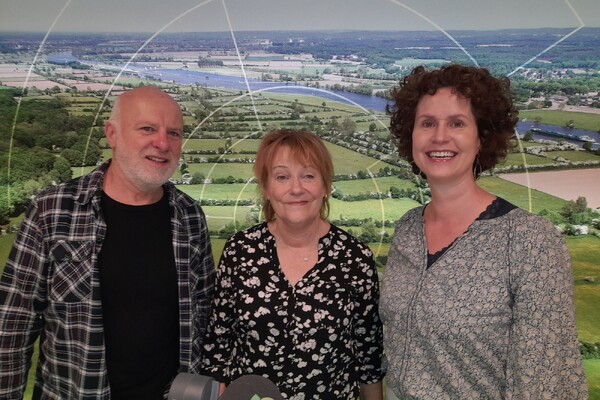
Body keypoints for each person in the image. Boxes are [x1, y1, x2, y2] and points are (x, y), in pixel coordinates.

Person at [381, 64, 588, 399]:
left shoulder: (530, 241)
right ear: (411, 135)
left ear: (482, 138)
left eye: (457, 123)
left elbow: (546, 380)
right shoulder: (407, 228)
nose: (439, 136)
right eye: (427, 123)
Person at [0, 86, 215, 399]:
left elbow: (207, 316)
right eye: (147, 129)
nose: (162, 143)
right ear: (112, 134)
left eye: (174, 133)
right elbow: (12, 327)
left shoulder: (190, 216)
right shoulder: (52, 210)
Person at [199, 129, 385, 400]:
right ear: (266, 188)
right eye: (282, 177)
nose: (296, 188)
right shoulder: (240, 251)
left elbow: (368, 360)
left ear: (325, 186)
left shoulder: (356, 259)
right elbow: (217, 348)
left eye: (308, 175)